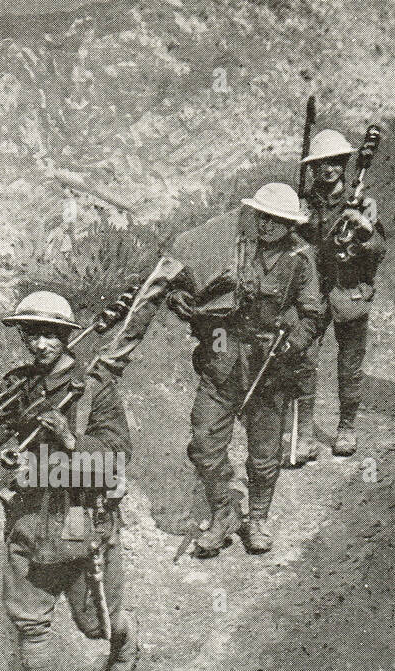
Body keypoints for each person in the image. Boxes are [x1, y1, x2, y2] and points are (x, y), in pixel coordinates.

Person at [0, 291, 139, 671]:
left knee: (97, 623)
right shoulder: (19, 385)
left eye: (49, 334)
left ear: (66, 337)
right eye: (31, 334)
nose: (39, 343)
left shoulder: (94, 387)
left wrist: (70, 439)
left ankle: (124, 639)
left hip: (81, 520)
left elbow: (115, 461)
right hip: (30, 521)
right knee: (29, 620)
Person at [117, 183, 325, 556]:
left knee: (264, 451)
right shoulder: (233, 246)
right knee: (203, 442)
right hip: (223, 354)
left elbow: (312, 314)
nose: (267, 226)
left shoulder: (300, 258)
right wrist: (184, 300)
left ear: (290, 224)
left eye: (276, 221)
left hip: (270, 365)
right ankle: (223, 513)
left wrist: (291, 345)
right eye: (263, 218)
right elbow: (193, 285)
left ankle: (257, 518)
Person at [298, 129, 388, 457]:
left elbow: (379, 249)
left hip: (349, 291)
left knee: (349, 365)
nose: (328, 169)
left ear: (345, 164)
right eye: (321, 164)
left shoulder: (362, 202)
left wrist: (363, 229)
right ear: (312, 169)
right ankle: (304, 433)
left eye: (335, 163)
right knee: (304, 361)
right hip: (312, 293)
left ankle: (346, 426)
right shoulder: (303, 203)